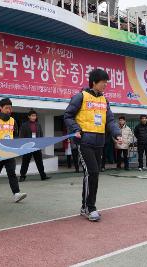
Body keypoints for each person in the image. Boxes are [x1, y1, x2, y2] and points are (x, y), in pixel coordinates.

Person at [64, 69, 122, 222]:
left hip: (99, 143)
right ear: (94, 82)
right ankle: (90, 207)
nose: (105, 85)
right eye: (103, 82)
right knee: (92, 172)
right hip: (84, 142)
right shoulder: (80, 97)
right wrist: (76, 130)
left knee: (92, 174)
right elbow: (68, 116)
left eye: (106, 83)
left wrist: (117, 134)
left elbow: (109, 120)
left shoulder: (104, 100)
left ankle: (86, 206)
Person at [0, 98, 27, 202]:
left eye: (10, 108)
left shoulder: (13, 121)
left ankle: (16, 193)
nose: (9, 110)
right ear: (0, 108)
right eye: (6, 108)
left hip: (9, 151)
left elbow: (15, 136)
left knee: (11, 172)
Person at [19, 109, 50, 182]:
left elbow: (41, 135)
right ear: (29, 116)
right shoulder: (24, 125)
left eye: (35, 116)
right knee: (25, 162)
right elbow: (21, 136)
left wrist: (41, 144)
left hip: (37, 146)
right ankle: (22, 176)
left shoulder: (38, 125)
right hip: (28, 146)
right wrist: (23, 147)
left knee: (39, 162)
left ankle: (43, 176)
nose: (34, 117)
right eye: (32, 116)